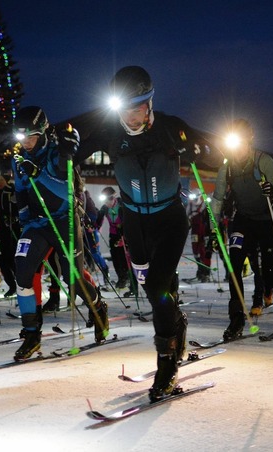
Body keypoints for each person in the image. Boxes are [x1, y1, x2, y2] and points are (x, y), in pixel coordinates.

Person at [77, 66, 219, 401]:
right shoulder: (109, 132)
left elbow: (211, 148)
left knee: (156, 289)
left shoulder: (170, 127)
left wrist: (199, 150)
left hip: (169, 219)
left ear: (150, 104)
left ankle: (167, 366)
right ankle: (177, 321)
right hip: (135, 223)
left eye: (139, 108)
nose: (132, 116)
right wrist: (67, 147)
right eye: (126, 109)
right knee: (153, 286)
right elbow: (70, 152)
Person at [11, 106, 108, 360]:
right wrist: (22, 217)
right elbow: (21, 188)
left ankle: (98, 307)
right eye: (22, 138)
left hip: (64, 220)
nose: (27, 143)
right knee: (22, 271)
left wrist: (39, 174)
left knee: (72, 279)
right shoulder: (19, 156)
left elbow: (64, 191)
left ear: (42, 133)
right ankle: (31, 334)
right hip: (38, 223)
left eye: (31, 137)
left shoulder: (57, 153)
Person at [212, 118, 273, 331]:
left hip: (267, 220)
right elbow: (218, 198)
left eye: (241, 143)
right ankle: (236, 318)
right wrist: (214, 229)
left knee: (268, 273)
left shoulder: (263, 161)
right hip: (244, 220)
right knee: (234, 267)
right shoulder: (227, 167)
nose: (237, 150)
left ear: (249, 141)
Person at [97, 186, 130, 289]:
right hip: (114, 233)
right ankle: (121, 278)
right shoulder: (105, 208)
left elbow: (128, 221)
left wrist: (124, 237)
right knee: (115, 257)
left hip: (124, 233)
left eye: (107, 201)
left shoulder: (122, 205)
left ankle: (128, 277)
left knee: (124, 256)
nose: (106, 204)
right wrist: (95, 227)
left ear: (112, 198)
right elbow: (99, 220)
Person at [0, 173, 18, 297]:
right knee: (1, 259)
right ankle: (11, 286)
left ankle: (22, 284)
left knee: (11, 258)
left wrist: (14, 218)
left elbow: (19, 206)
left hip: (12, 229)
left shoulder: (12, 191)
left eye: (1, 180)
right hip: (2, 229)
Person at [186, 188, 213, 283]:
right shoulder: (190, 205)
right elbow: (186, 217)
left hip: (204, 231)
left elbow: (211, 218)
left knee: (204, 251)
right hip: (195, 231)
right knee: (195, 251)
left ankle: (206, 273)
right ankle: (200, 270)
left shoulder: (205, 204)